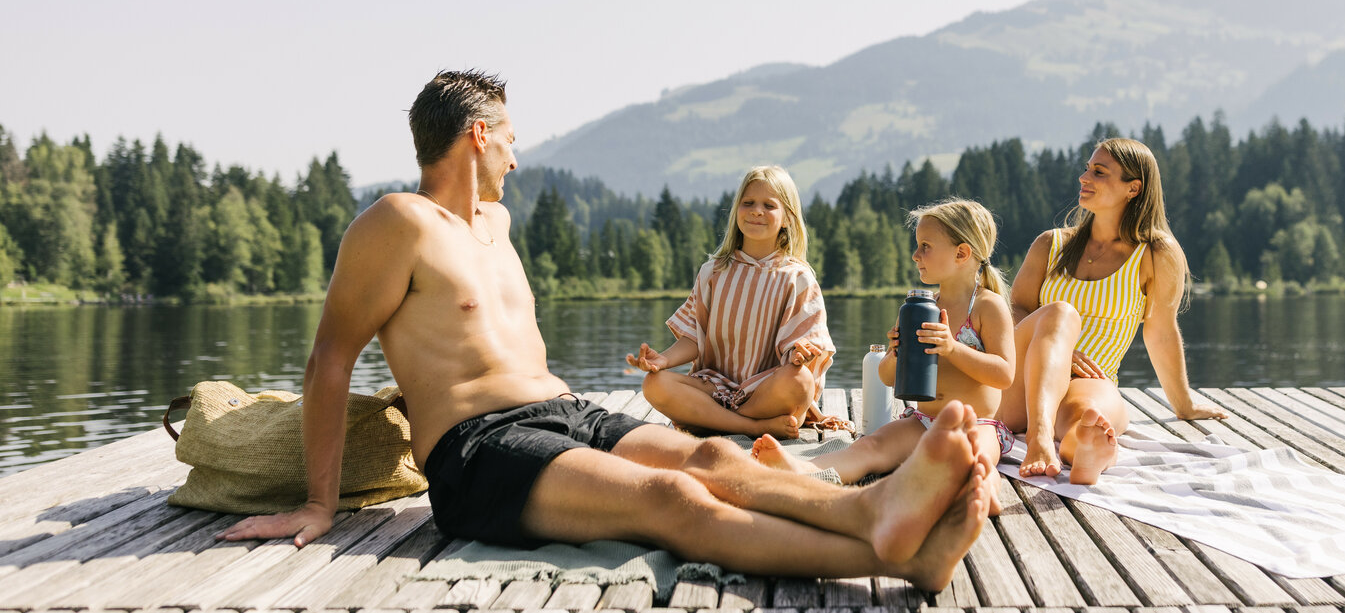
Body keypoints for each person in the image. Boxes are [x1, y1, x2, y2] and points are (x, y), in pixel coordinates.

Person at [217, 70, 988, 589]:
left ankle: (898, 539)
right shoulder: (395, 223)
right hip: (480, 451)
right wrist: (321, 504)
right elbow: (329, 359)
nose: (517, 157)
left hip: (564, 410)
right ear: (478, 135)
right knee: (671, 499)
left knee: (713, 454)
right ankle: (880, 533)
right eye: (510, 137)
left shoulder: (498, 221)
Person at [751, 199, 1015, 513]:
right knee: (870, 445)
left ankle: (984, 491)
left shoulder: (987, 306)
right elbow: (887, 377)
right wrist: (895, 352)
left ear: (961, 253)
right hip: (923, 422)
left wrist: (953, 348)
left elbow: (1004, 374)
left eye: (925, 246)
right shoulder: (923, 306)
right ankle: (803, 470)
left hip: (977, 424)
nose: (915, 255)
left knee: (979, 457)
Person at [998, 137, 1228, 485]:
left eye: (1099, 172)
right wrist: (1057, 348)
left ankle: (1086, 454)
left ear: (1133, 188)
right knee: (1058, 316)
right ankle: (1038, 438)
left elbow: (1161, 330)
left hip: (1090, 379)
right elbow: (1017, 310)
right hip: (1023, 378)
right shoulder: (1051, 244)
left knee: (1086, 420)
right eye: (1087, 168)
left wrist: (1184, 404)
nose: (1084, 177)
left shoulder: (1154, 253)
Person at [626, 166, 840, 439]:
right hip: (713, 388)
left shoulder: (798, 277)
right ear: (736, 211)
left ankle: (711, 420)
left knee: (800, 381)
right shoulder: (713, 272)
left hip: (765, 392)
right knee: (654, 384)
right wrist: (663, 360)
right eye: (748, 203)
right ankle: (751, 427)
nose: (756, 211)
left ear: (787, 217)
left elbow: (803, 349)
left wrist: (799, 355)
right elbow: (694, 337)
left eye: (769, 205)